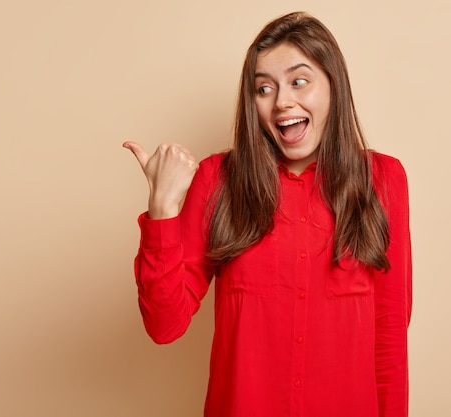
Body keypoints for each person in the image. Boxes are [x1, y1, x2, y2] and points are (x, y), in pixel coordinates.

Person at [123, 11, 412, 417]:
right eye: (264, 88)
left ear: (333, 86)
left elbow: (389, 336)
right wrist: (162, 208)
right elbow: (164, 325)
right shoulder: (217, 180)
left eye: (299, 81)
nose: (282, 102)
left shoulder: (383, 180)